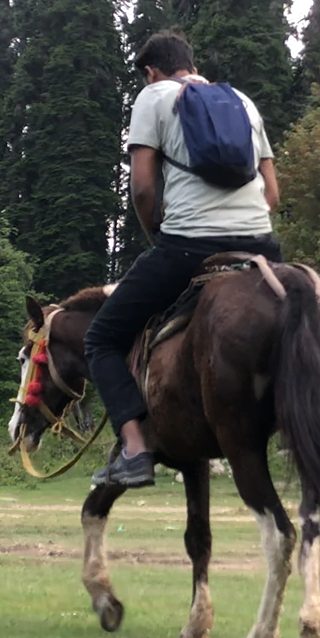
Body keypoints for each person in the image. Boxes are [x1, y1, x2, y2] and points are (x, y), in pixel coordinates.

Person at [84, 31, 284, 488]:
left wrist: (156, 232)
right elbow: (272, 195)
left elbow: (142, 188)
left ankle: (135, 450)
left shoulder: (153, 97)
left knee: (101, 339)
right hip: (261, 246)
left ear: (153, 71)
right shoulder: (243, 103)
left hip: (189, 246)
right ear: (190, 63)